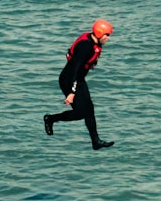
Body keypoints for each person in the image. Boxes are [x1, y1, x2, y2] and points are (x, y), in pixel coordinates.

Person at [43, 19, 115, 150]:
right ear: (99, 33)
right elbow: (75, 70)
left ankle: (96, 142)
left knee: (89, 110)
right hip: (69, 80)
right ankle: (50, 119)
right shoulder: (85, 47)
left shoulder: (93, 42)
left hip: (78, 79)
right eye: (107, 35)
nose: (108, 39)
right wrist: (71, 92)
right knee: (80, 113)